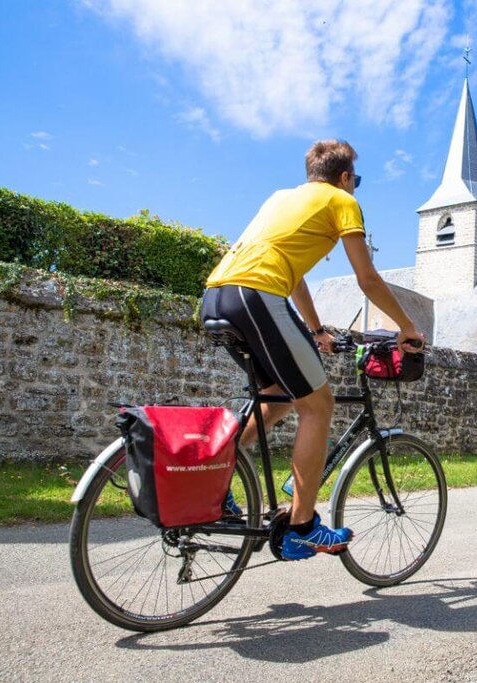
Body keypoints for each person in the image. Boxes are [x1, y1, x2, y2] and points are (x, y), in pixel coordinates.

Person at [201, 140, 425, 561]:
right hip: (257, 295)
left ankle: (212, 484)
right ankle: (302, 526)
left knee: (280, 396)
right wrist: (406, 326)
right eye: (355, 180)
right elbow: (368, 279)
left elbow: (293, 273)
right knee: (319, 404)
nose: (355, 187)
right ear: (344, 177)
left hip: (217, 296)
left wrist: (316, 329)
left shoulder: (283, 198)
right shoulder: (342, 200)